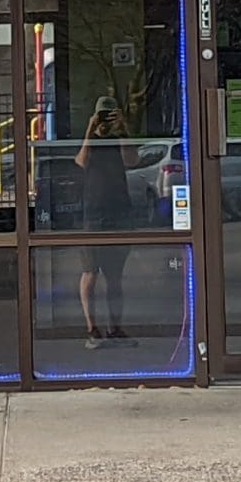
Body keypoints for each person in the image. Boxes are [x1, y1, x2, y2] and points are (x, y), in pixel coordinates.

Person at [74, 95, 135, 347]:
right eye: (102, 115)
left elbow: (131, 160)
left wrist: (123, 129)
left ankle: (115, 327)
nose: (105, 121)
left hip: (119, 213)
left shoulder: (119, 138)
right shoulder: (92, 139)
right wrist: (90, 129)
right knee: (90, 272)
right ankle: (92, 328)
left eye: (110, 115)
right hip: (94, 214)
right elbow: (81, 161)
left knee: (115, 276)